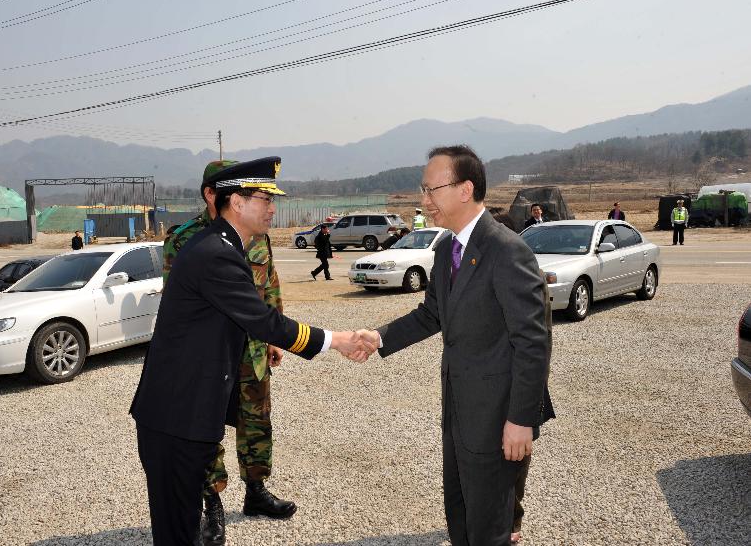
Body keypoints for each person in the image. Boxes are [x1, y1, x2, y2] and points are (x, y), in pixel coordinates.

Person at [130, 156, 375, 546]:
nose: (273, 208)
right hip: (178, 415)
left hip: (186, 408)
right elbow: (263, 321)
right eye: (264, 198)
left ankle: (252, 490)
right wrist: (338, 339)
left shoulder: (226, 245)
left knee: (181, 523)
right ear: (236, 202)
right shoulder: (215, 253)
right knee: (177, 528)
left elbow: (257, 311)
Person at [359, 145, 550, 546]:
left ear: (465, 189)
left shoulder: (506, 250)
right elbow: (432, 314)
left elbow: (533, 342)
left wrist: (521, 419)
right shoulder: (446, 248)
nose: (424, 201)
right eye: (423, 190)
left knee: (490, 523)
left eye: (432, 190)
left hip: (499, 416)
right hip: (459, 408)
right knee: (461, 509)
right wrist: (378, 338)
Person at [161, 159, 296, 546]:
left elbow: (269, 284)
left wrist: (276, 335)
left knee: (257, 420)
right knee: (208, 427)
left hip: (252, 349)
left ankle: (256, 491)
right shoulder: (183, 239)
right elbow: (179, 305)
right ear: (212, 194)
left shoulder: (255, 233)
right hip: (213, 354)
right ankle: (212, 504)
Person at [491, 210, 556, 544]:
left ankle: (513, 522)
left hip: (521, 385)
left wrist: (526, 404)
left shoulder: (526, 273)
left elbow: (537, 343)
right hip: (492, 386)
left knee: (516, 456)